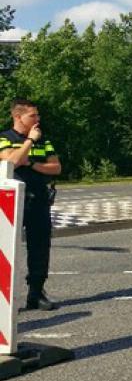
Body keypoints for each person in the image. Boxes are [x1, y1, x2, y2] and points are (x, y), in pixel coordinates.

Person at [0, 99, 62, 310]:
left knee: (40, 247)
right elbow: (12, 161)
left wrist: (32, 163)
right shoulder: (4, 138)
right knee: (6, 249)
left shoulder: (43, 141)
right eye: (32, 116)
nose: (38, 120)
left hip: (39, 200)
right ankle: (4, 298)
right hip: (12, 204)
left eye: (38, 115)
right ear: (18, 117)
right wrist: (29, 142)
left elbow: (55, 167)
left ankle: (36, 292)